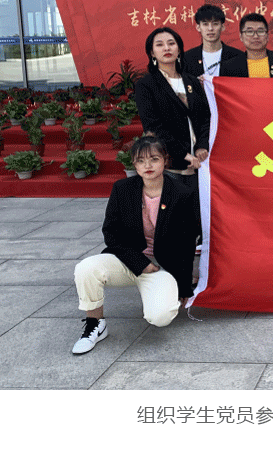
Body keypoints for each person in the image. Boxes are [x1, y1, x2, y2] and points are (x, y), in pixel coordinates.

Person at [71, 135, 200, 354]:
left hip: (161, 266)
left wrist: (184, 285)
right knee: (86, 268)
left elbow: (187, 242)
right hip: (128, 260)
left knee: (160, 317)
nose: (148, 165)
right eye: (141, 161)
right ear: (134, 164)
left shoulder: (182, 193)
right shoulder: (122, 189)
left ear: (165, 160)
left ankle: (158, 295)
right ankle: (95, 324)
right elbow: (111, 233)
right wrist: (139, 262)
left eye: (154, 159)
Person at [134, 27, 210, 187]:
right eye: (159, 45)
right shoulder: (146, 85)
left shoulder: (192, 81)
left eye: (171, 43)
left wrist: (202, 146)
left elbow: (205, 116)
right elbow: (153, 126)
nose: (166, 48)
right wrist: (183, 154)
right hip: (170, 165)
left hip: (200, 163)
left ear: (179, 49)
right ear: (152, 53)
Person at [184, 4, 243, 78]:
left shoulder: (237, 57)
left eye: (215, 24)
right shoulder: (188, 58)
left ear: (222, 27)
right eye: (205, 24)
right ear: (198, 27)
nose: (210, 28)